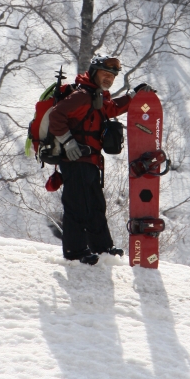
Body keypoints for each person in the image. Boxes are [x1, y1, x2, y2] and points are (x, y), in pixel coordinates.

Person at [48, 54, 153, 265]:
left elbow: (112, 109)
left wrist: (133, 95)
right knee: (77, 206)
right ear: (95, 73)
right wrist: (68, 142)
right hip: (75, 161)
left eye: (112, 76)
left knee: (96, 206)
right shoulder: (81, 96)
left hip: (91, 162)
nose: (109, 79)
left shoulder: (96, 96)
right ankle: (75, 252)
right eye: (105, 74)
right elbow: (56, 116)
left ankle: (102, 248)